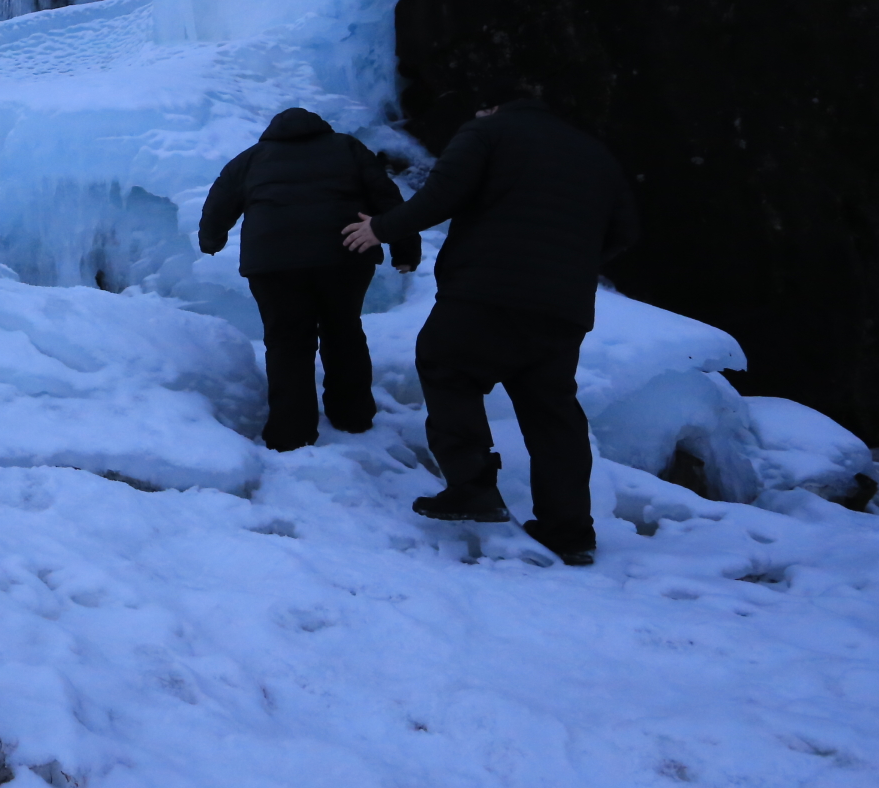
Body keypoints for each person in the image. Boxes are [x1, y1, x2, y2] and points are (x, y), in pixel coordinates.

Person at [341, 88, 638, 566]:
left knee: (445, 365)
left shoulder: (488, 131)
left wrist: (381, 228)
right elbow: (625, 231)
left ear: (491, 105)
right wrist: (567, 266)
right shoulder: (593, 152)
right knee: (551, 410)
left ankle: (472, 485)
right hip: (563, 307)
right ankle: (570, 530)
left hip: (487, 290)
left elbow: (442, 194)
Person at [200, 107, 418, 452]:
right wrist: (405, 251)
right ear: (321, 129)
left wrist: (211, 240)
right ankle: (354, 416)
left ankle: (291, 432)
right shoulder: (347, 148)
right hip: (344, 254)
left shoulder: (253, 158)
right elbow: (386, 195)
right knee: (343, 330)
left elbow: (219, 201)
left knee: (287, 342)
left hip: (273, 263)